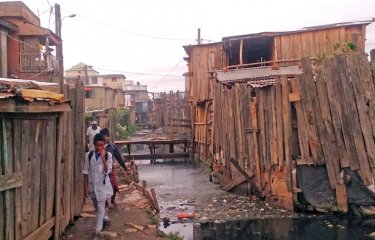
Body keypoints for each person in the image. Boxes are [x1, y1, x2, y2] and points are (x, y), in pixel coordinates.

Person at [83, 133, 113, 235]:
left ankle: (97, 230)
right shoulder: (89, 155)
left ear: (105, 144)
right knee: (96, 206)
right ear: (94, 145)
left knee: (100, 207)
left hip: (102, 187)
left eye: (102, 145)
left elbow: (107, 171)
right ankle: (106, 218)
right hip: (92, 186)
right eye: (97, 145)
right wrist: (85, 187)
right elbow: (86, 172)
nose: (100, 147)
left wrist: (103, 159)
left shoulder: (108, 156)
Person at [99, 128, 128, 206]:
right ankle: (105, 202)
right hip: (101, 170)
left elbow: (118, 157)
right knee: (103, 186)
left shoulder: (112, 147)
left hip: (111, 170)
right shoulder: (99, 147)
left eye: (107, 136)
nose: (105, 138)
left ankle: (112, 199)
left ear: (108, 137)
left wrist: (125, 167)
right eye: (104, 136)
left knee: (114, 185)